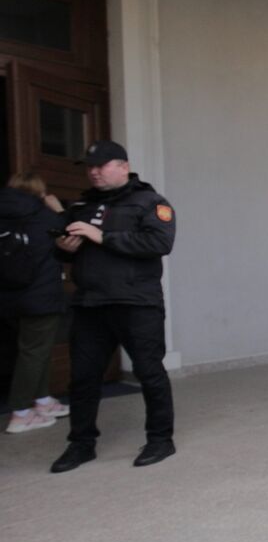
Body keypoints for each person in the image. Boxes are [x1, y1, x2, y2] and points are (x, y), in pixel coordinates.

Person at [48, 141, 176, 473]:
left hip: (136, 303)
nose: (94, 171)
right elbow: (67, 251)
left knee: (149, 372)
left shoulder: (150, 202)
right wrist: (64, 247)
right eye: (90, 166)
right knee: (84, 378)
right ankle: (81, 444)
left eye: (101, 165)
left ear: (123, 166)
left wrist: (102, 236)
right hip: (91, 304)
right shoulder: (82, 205)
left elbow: (160, 242)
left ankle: (161, 439)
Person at [0, 171, 68, 433]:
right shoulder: (43, 216)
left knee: (30, 350)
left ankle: (42, 401)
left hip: (9, 297)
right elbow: (70, 234)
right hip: (40, 297)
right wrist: (59, 209)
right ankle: (21, 413)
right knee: (35, 352)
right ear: (39, 191)